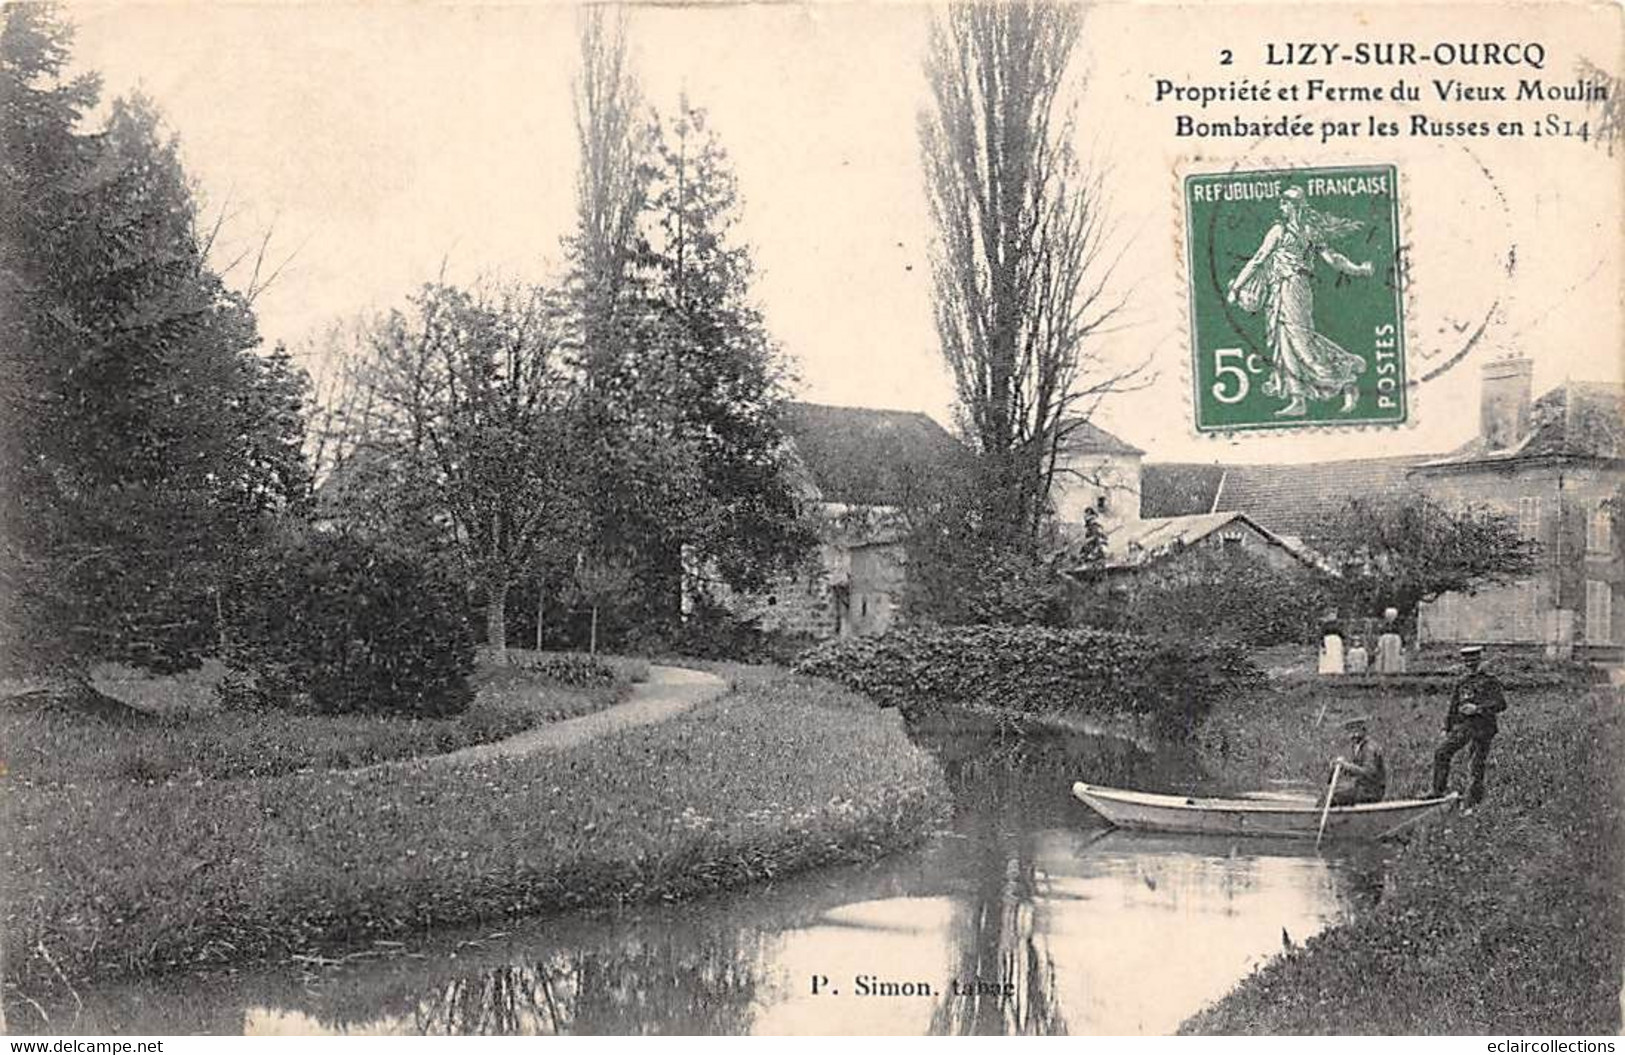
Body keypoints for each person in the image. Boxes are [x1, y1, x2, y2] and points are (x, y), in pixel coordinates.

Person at [1226, 187, 1376, 418]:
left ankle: (1346, 378)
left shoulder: (1302, 230)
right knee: (1285, 342)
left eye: (1285, 203)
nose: (1281, 207)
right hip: (1279, 289)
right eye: (1281, 203)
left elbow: (1332, 258)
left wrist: (1357, 270)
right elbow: (1259, 259)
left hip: (1294, 288)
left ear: (1295, 205)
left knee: (1301, 342)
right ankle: (1298, 400)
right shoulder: (1284, 229)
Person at [1431, 645, 1508, 811]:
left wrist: (1478, 708)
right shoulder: (1462, 682)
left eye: (1473, 660)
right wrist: (1447, 727)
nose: (1469, 663)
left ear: (1479, 660)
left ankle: (1472, 804)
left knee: (1476, 765)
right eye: (1466, 660)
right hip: (1465, 726)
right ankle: (1437, 793)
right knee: (1441, 752)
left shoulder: (1490, 681)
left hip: (1483, 727)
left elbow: (1501, 704)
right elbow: (1453, 707)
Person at [1329, 714, 1387, 805]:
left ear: (1363, 730)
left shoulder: (1370, 748)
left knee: (1334, 795)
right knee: (1332, 791)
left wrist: (1347, 766)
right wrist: (1340, 767)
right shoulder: (1357, 746)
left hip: (1371, 791)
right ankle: (1338, 817)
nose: (1353, 735)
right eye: (1350, 732)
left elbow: (1369, 773)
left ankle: (1317, 817)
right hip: (1361, 787)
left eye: (1356, 731)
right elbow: (1354, 771)